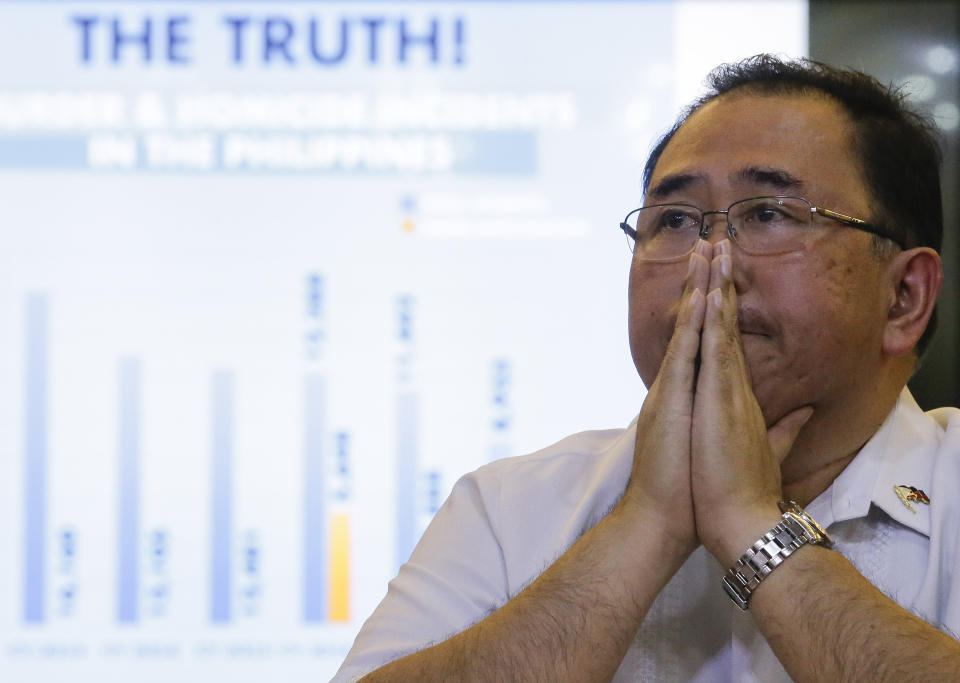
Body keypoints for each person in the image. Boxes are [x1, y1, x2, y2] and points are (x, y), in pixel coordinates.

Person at [334, 54, 960, 681]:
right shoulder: (511, 506)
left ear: (904, 295)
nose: (710, 263)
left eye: (768, 214)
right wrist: (647, 523)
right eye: (676, 221)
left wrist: (751, 524)